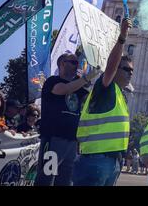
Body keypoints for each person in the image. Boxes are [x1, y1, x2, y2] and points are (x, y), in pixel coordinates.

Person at [73, 18, 133, 186]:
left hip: (112, 162)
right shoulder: (105, 86)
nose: (131, 73)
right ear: (116, 70)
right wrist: (122, 37)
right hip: (95, 160)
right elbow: (110, 67)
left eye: (132, 70)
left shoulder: (120, 95)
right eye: (127, 69)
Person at [34, 53, 99, 186]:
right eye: (74, 63)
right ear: (62, 63)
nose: (78, 66)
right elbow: (64, 89)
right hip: (54, 139)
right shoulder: (52, 81)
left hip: (72, 141)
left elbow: (91, 100)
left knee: (66, 180)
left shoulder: (79, 87)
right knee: (47, 177)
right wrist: (86, 78)